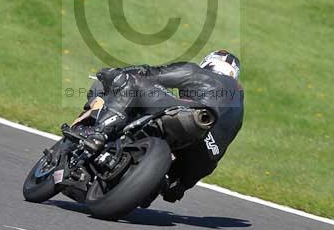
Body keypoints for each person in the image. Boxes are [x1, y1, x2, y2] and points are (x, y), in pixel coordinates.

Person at [71, 50, 244, 203]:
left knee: (132, 82)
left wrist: (118, 73)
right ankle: (155, 182)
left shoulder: (200, 73)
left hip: (185, 117)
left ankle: (98, 133)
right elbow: (213, 159)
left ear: (209, 63)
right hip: (201, 155)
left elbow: (154, 74)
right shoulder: (239, 111)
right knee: (174, 185)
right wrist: (182, 185)